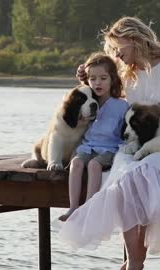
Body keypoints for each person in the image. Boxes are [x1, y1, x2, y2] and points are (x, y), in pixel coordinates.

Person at [58, 17, 160, 270]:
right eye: (113, 50)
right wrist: (86, 77)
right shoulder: (129, 75)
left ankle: (134, 263)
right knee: (123, 178)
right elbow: (103, 92)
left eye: (119, 49)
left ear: (135, 40)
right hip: (136, 148)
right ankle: (134, 260)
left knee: (139, 174)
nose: (116, 55)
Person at [58, 52, 129, 222]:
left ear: (112, 79)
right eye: (93, 79)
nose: (98, 83)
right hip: (88, 146)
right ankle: (73, 207)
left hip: (109, 148)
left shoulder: (121, 105)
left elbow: (125, 130)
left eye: (103, 78)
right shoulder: (89, 101)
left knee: (94, 165)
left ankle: (89, 206)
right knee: (76, 162)